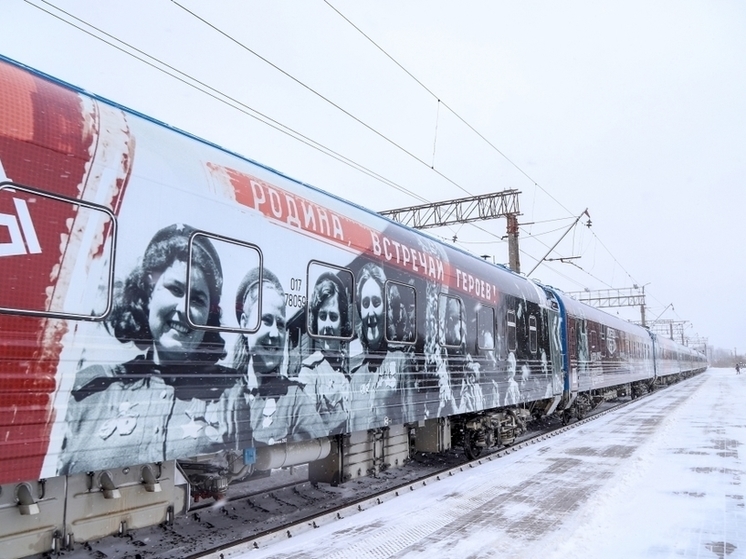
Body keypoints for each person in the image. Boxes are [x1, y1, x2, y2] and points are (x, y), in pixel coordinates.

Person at [58, 224, 247, 475]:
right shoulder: (94, 389)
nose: (184, 309)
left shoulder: (231, 393)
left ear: (208, 318)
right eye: (175, 289)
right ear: (148, 294)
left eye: (198, 299)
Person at [233, 267, 325, 446]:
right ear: (244, 324)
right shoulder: (223, 392)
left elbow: (318, 447)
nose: (275, 333)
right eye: (265, 320)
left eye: (281, 324)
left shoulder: (294, 399)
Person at [348, 263, 413, 432]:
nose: (370, 313)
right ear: (360, 310)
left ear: (385, 307)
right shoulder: (355, 373)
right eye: (365, 303)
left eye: (376, 302)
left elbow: (410, 415)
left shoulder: (400, 362)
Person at [297, 272, 351, 436]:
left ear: (342, 323)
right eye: (322, 316)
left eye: (333, 317)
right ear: (316, 321)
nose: (327, 325)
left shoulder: (347, 369)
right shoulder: (309, 371)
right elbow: (307, 428)